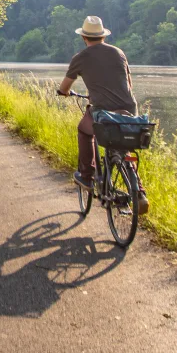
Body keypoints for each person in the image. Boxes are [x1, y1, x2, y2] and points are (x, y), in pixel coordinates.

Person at [57, 15, 148, 215]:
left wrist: (63, 93)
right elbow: (128, 84)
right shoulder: (119, 53)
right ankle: (139, 192)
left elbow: (64, 88)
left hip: (103, 111)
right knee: (122, 148)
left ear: (84, 37)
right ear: (103, 36)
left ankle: (87, 176)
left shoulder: (80, 58)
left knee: (84, 130)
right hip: (129, 109)